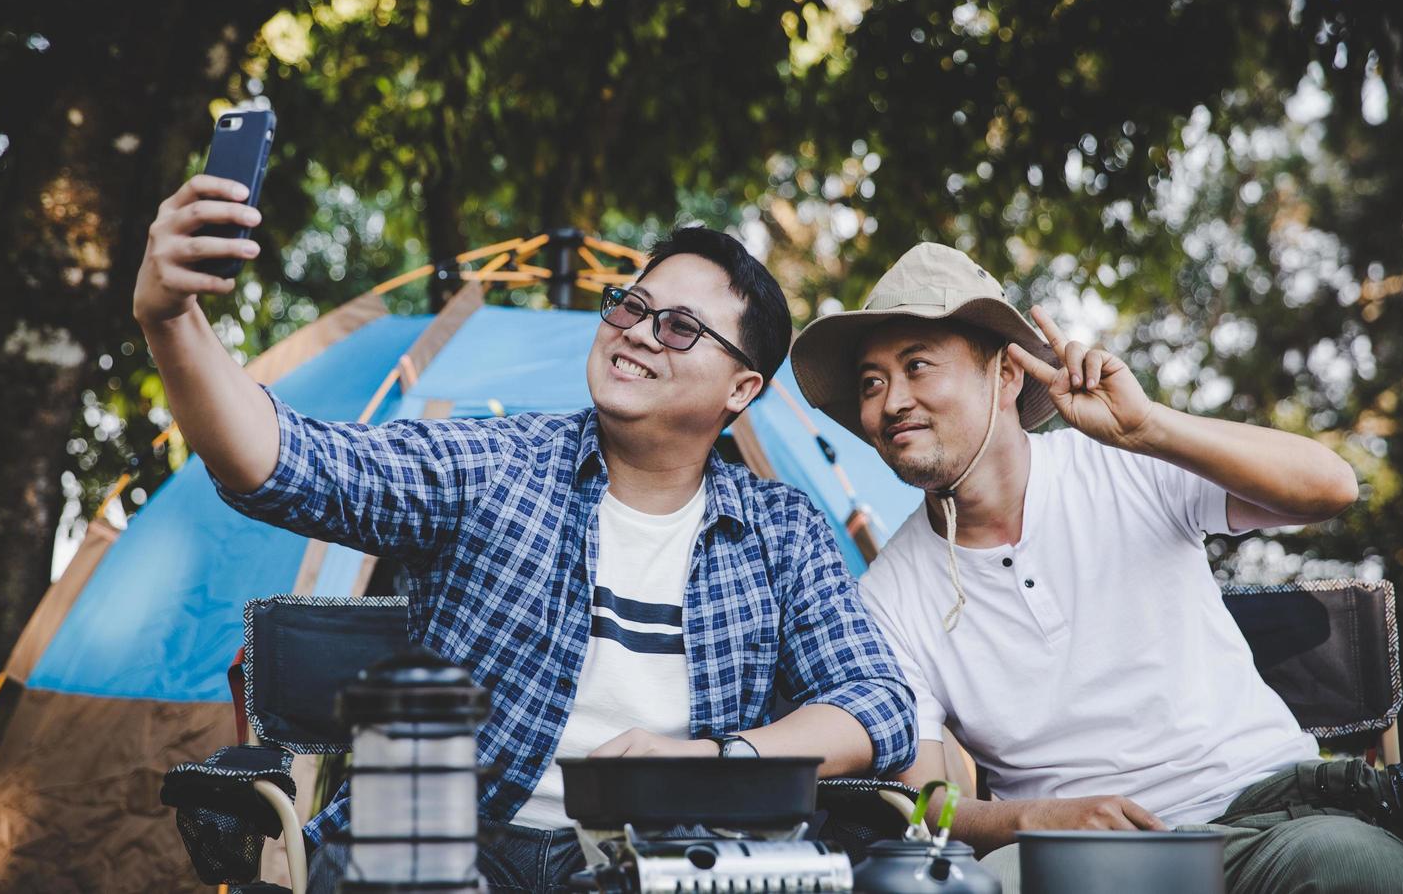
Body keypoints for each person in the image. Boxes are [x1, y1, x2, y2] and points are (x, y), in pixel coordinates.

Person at [134, 175, 916, 892]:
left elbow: (878, 704)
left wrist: (712, 762)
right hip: (444, 848)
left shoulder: (780, 531)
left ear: (742, 387)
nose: (640, 333)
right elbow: (287, 463)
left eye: (681, 328)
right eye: (632, 307)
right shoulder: (498, 463)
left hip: (650, 861)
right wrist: (171, 318)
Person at [789, 241, 1403, 892]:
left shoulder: (1125, 465)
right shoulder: (886, 596)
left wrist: (1149, 429)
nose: (890, 402)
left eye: (917, 366)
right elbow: (925, 804)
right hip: (1077, 860)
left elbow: (1331, 486)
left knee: (1360, 865)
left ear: (1005, 377)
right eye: (872, 383)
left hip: (1267, 818)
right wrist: (1033, 817)